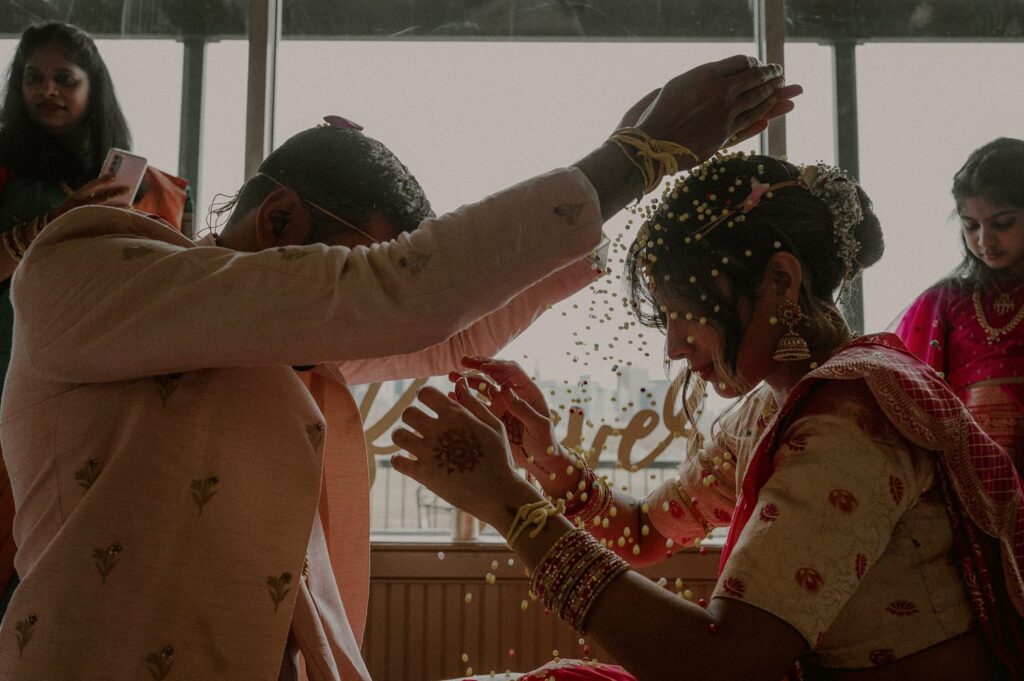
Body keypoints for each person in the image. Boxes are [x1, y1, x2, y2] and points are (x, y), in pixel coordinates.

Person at [0, 55, 798, 679]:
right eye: (347, 271)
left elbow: (449, 329)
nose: (348, 304)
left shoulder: (274, 343)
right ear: (279, 218)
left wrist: (637, 185)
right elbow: (400, 297)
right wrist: (633, 156)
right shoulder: (89, 271)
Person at [393, 153, 1024, 680]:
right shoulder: (773, 408)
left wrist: (507, 503)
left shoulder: (847, 420)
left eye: (687, 311)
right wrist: (541, 455)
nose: (672, 345)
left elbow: (722, 667)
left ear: (781, 279)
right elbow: (643, 534)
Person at [0, 20, 194, 618]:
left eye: (64, 78)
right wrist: (56, 222)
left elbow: (172, 288)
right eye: (34, 77)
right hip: (8, 368)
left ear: (93, 88)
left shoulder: (146, 185)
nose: (47, 90)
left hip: (106, 384)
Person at [894, 138, 1024, 473]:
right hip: (967, 478)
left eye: (1002, 223)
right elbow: (915, 405)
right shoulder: (944, 302)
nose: (984, 241)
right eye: (970, 226)